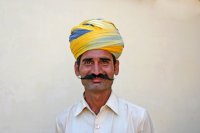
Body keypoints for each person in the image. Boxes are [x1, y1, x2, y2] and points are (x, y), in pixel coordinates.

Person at [56, 19, 154, 133]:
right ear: (77, 69)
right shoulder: (64, 121)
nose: (96, 71)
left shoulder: (138, 119)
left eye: (104, 61)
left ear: (116, 67)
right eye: (88, 62)